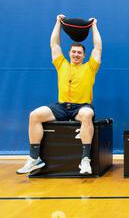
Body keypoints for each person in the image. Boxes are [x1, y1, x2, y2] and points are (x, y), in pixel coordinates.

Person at [17, 14, 102, 175]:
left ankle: (85, 160)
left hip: (81, 107)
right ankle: (35, 158)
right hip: (61, 107)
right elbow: (54, 44)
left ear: (84, 55)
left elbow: (97, 48)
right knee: (35, 115)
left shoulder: (90, 67)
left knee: (87, 114)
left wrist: (94, 26)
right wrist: (57, 22)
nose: (76, 54)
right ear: (69, 53)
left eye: (79, 53)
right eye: (73, 52)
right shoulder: (61, 64)